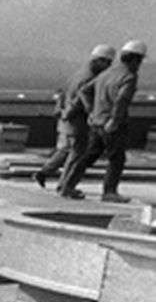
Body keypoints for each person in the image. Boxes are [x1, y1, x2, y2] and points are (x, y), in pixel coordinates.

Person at [60, 39, 146, 203]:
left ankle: (67, 185)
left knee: (89, 155)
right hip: (112, 124)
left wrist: (91, 111)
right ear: (135, 59)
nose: (139, 64)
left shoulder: (108, 73)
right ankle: (109, 191)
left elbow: (84, 91)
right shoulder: (128, 76)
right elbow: (122, 100)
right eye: (139, 60)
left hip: (97, 122)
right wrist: (114, 120)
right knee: (116, 158)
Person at [37, 44, 114, 194]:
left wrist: (61, 112)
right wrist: (88, 113)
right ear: (99, 61)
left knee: (65, 150)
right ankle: (65, 185)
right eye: (107, 63)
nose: (108, 67)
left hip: (67, 120)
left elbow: (63, 93)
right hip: (76, 122)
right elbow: (79, 100)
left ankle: (44, 173)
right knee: (76, 155)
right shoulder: (89, 78)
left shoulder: (79, 74)